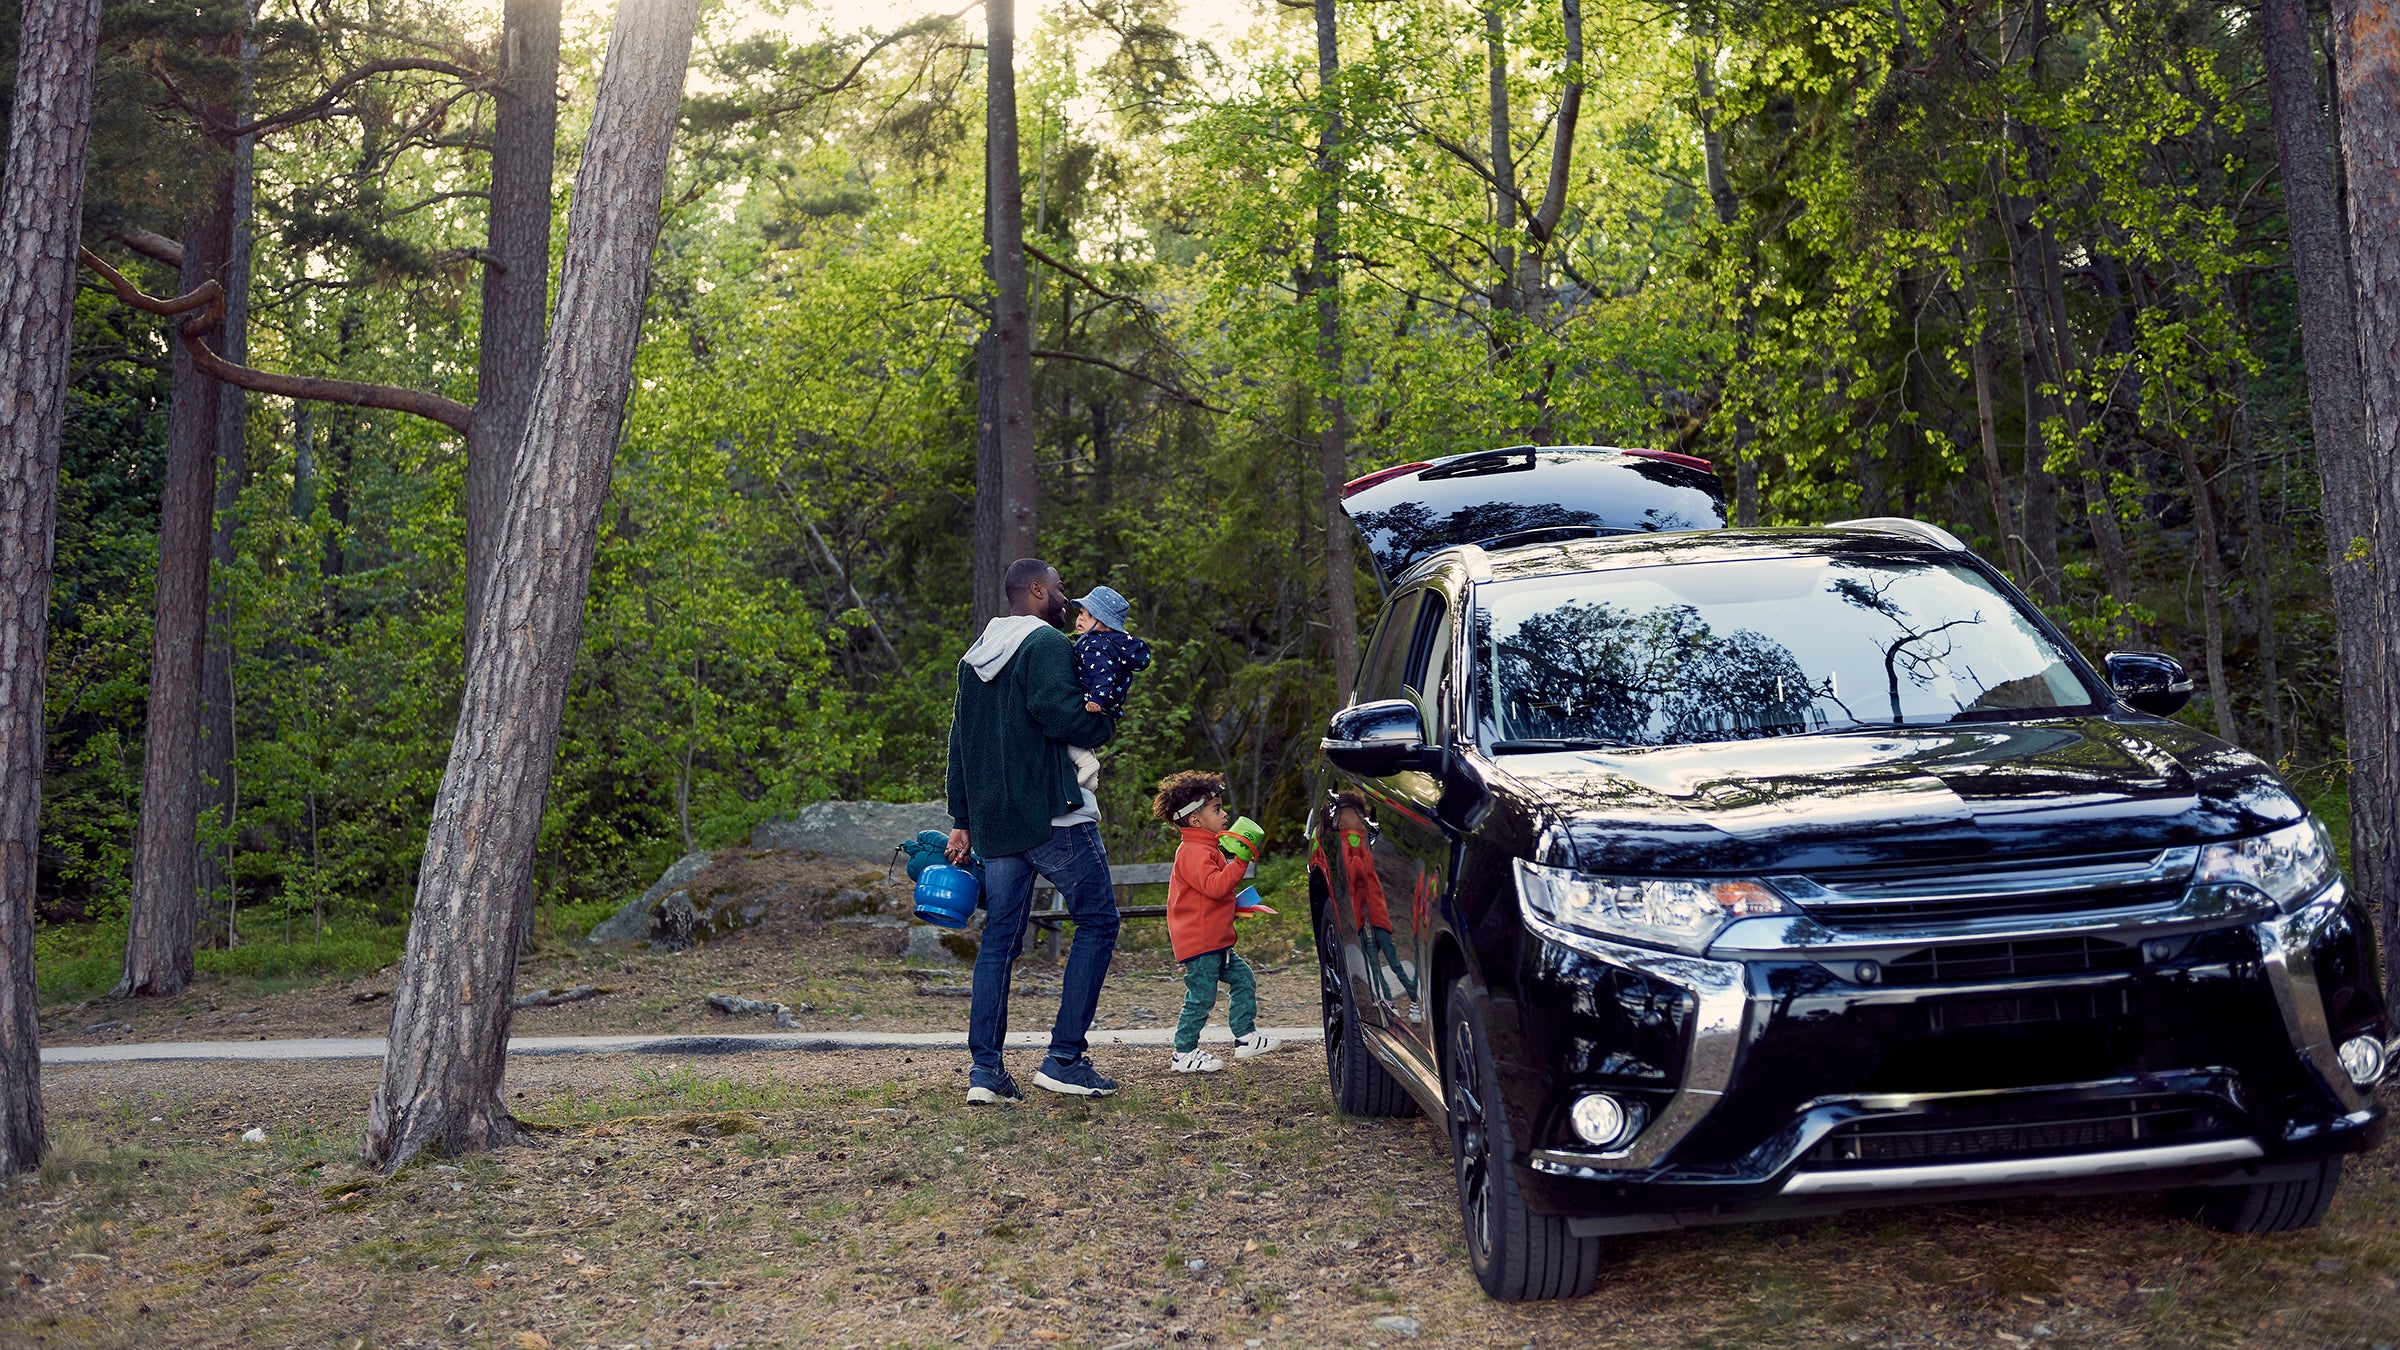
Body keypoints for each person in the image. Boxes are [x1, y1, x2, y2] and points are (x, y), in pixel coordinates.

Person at [946, 559, 1124, 1103]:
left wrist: (963, 820)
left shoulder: (975, 657)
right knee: (1098, 921)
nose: (1068, 599)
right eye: (1062, 589)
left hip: (998, 824)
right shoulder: (1045, 643)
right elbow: (1059, 714)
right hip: (1052, 816)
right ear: (1037, 590)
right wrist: (1105, 719)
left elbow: (960, 745)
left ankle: (986, 1073)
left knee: (999, 939)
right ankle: (1065, 1058)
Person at [1154, 770, 1281, 1073]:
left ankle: (1245, 1037)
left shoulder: (1208, 848)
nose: (1225, 815)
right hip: (1201, 943)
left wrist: (1236, 906)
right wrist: (1241, 861)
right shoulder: (1193, 852)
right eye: (1217, 809)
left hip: (1216, 939)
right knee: (1201, 997)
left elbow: (1211, 896)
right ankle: (1183, 1053)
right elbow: (1214, 886)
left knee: (1242, 979)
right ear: (1195, 821)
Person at [1332, 792, 1419, 1021]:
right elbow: (1355, 873)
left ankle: (1412, 1001)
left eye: (1356, 816)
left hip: (1376, 916)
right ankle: (1389, 1001)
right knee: (1375, 965)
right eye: (1349, 817)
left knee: (1390, 961)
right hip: (1364, 918)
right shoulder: (1350, 841)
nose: (1354, 820)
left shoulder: (1359, 840)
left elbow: (1361, 872)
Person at [1064, 585, 1151, 799]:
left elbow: (1104, 674)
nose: (1081, 618)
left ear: (1106, 625)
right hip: (1104, 707)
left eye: (1090, 615)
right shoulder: (1105, 643)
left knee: (1061, 731)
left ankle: (1087, 763)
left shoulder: (1093, 644)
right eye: (1082, 613)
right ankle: (1090, 775)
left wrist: (1097, 699)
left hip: (1092, 702)